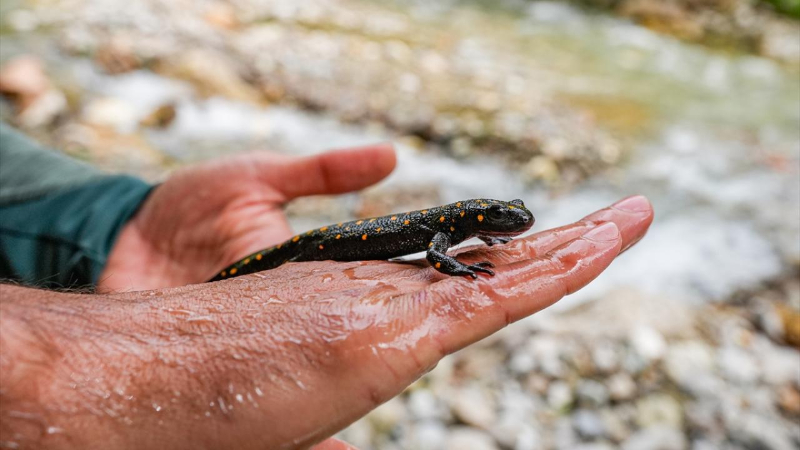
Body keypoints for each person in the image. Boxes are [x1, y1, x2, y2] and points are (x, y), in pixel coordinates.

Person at [0, 122, 654, 449]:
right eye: (503, 221)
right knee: (296, 258)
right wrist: (457, 269)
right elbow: (433, 255)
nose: (511, 225)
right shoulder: (448, 233)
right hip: (325, 247)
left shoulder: (460, 223)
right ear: (479, 220)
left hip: (323, 239)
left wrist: (118, 218)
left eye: (509, 220)